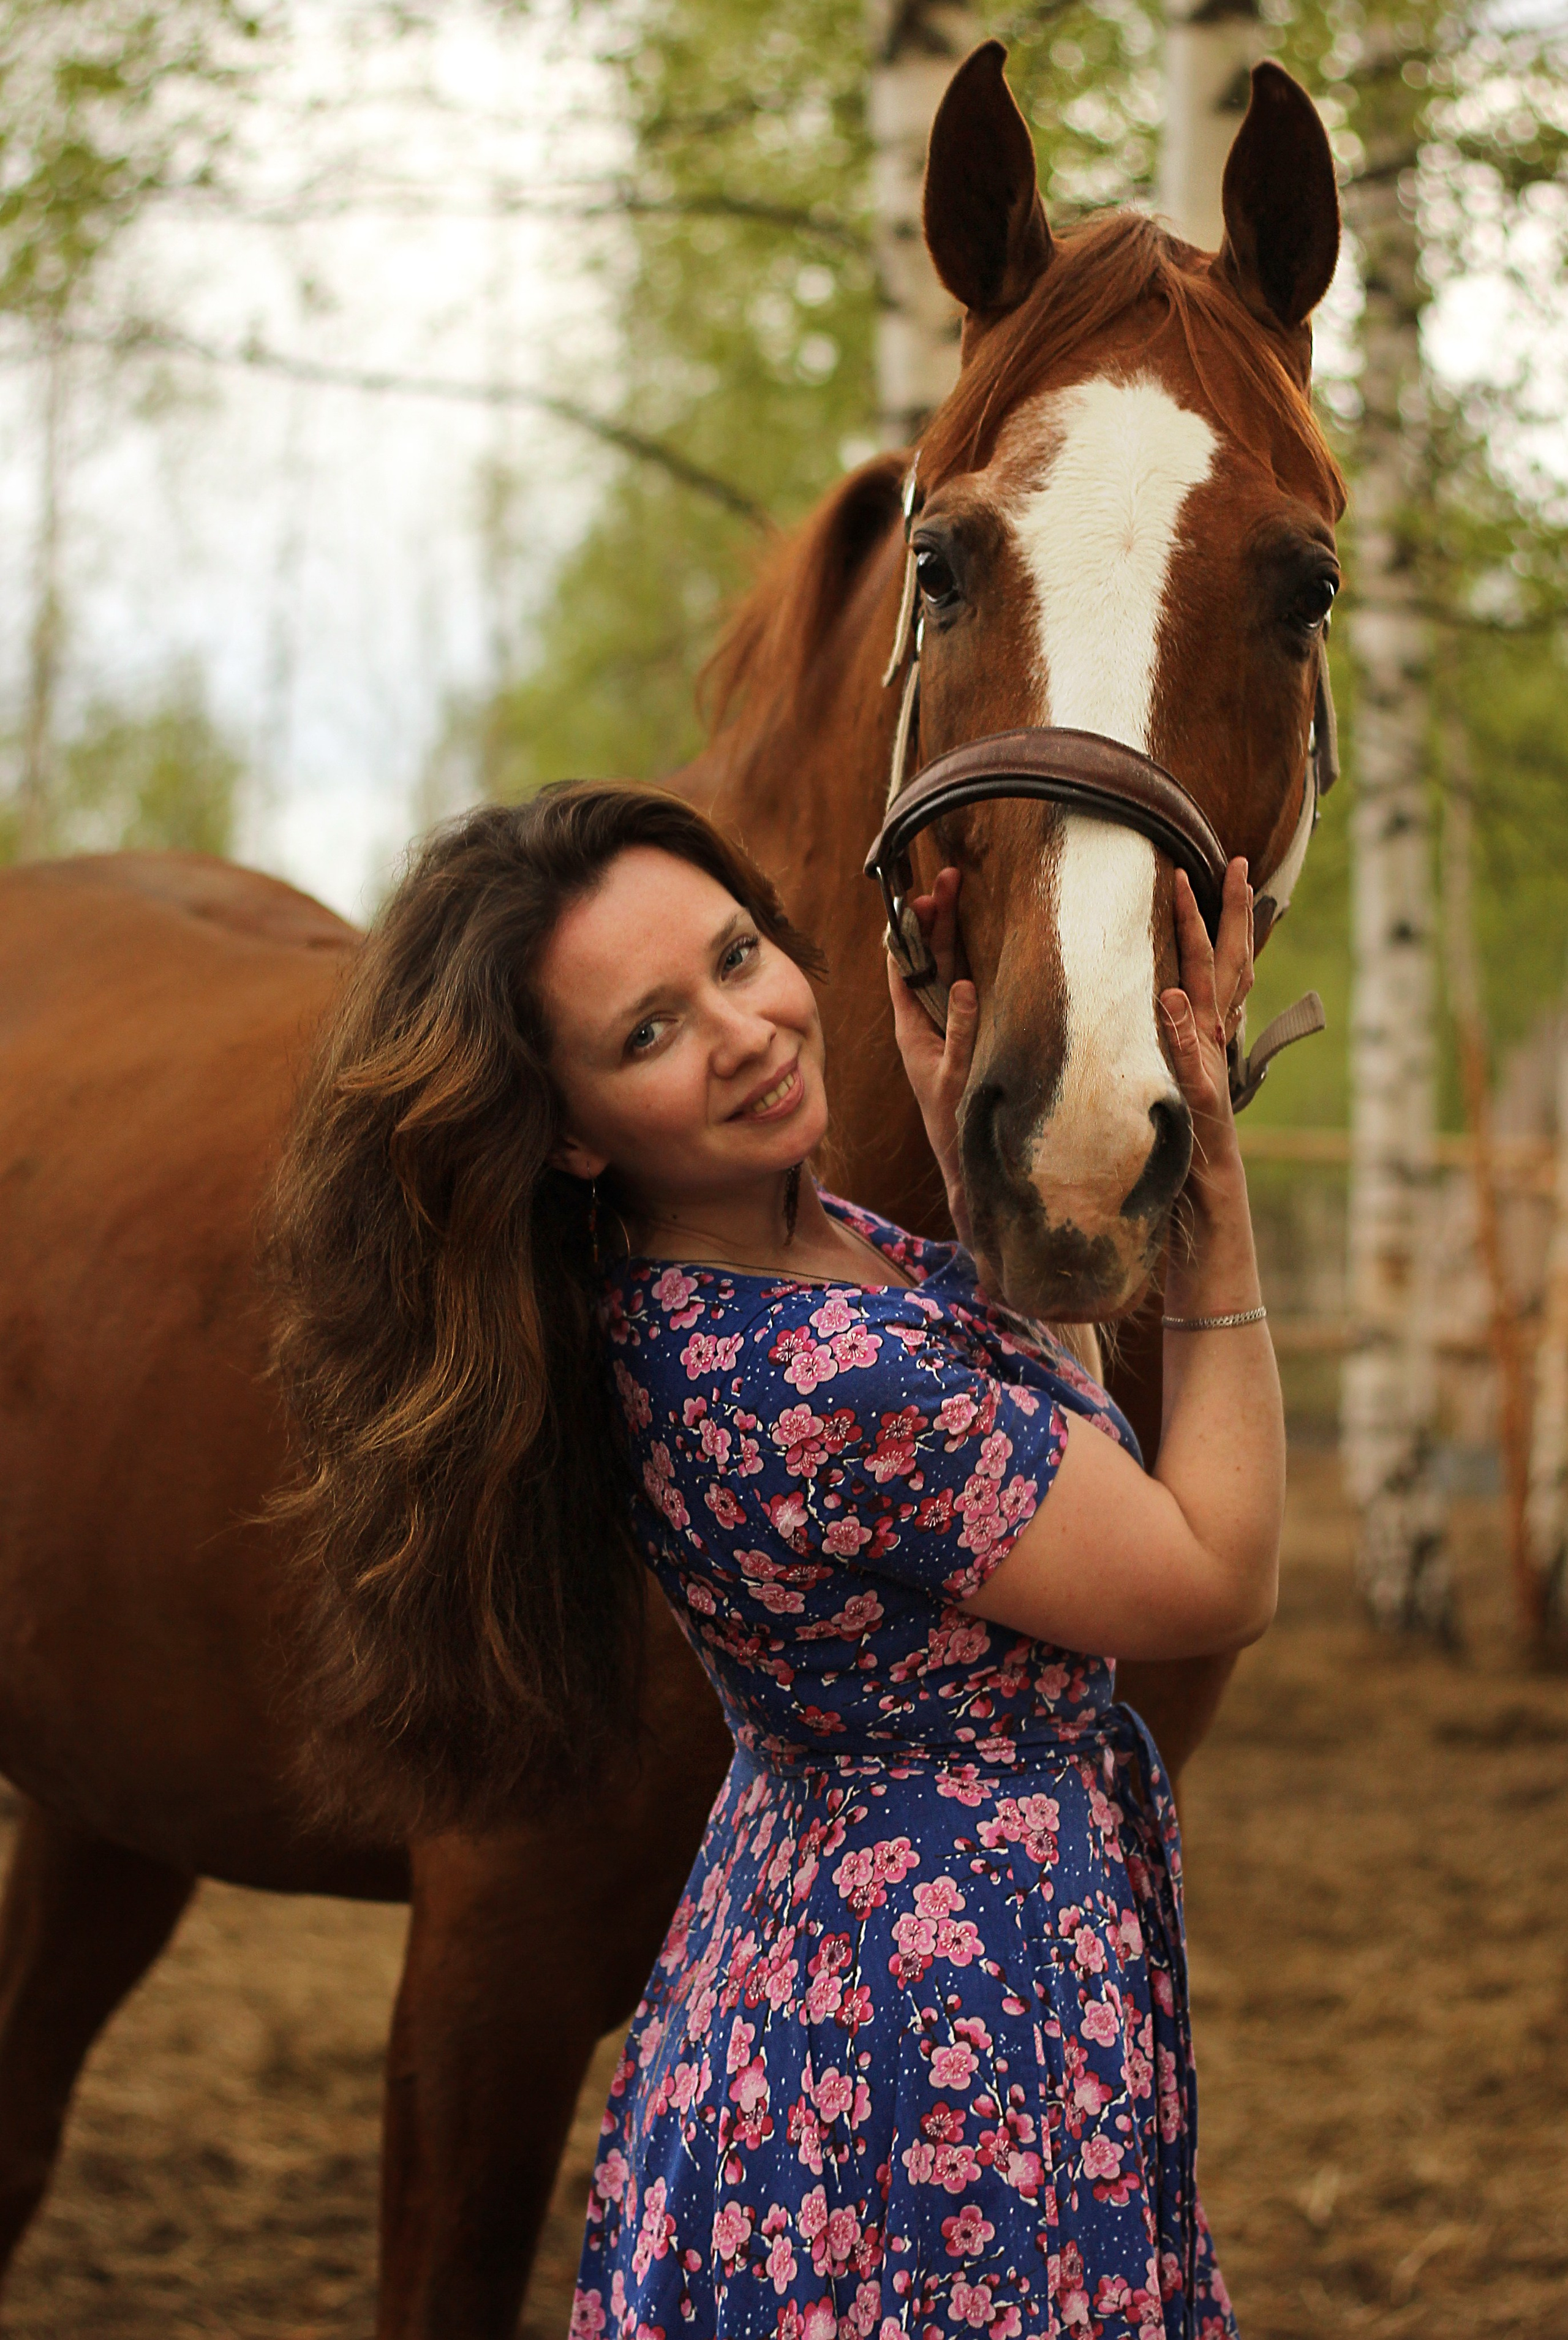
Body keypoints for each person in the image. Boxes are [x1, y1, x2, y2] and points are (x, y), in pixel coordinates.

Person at [269, 782, 1282, 2340]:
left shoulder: (744, 1266)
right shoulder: (816, 1375)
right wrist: (1210, 1208)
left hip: (826, 1936)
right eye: (649, 1033)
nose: (743, 1030)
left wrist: (967, 1168)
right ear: (567, 1134)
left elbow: (1046, 1443)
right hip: (945, 1999)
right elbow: (1209, 1574)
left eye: (738, 955)